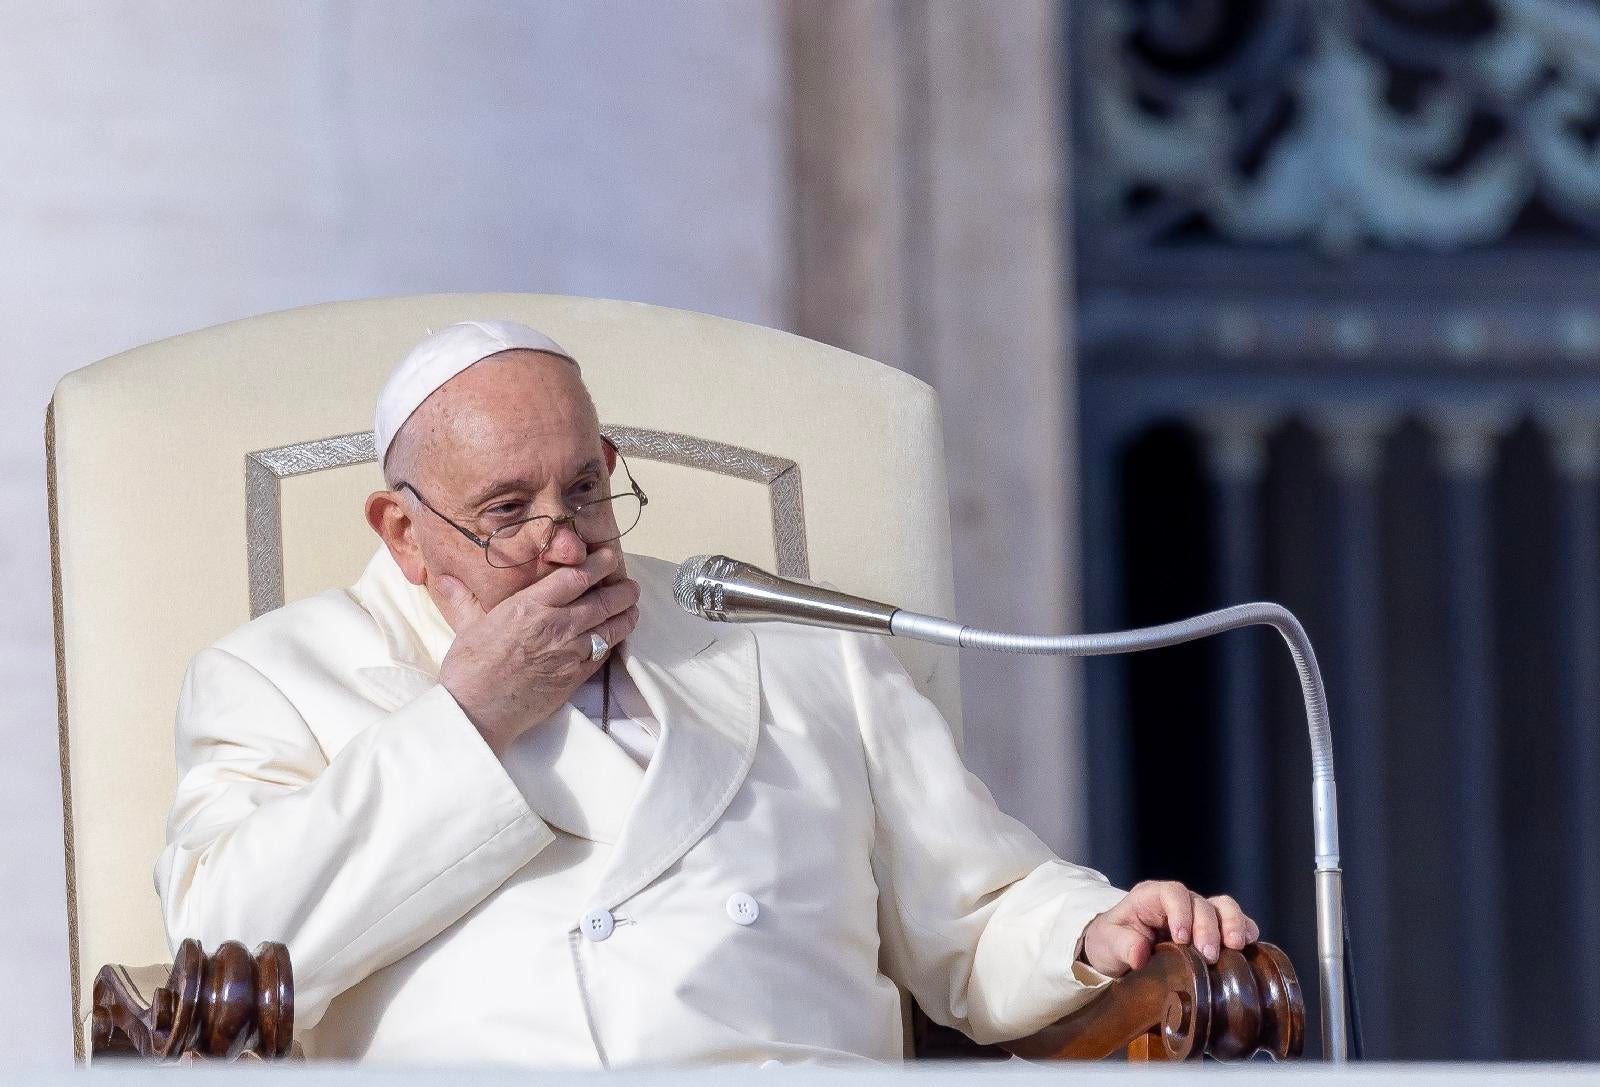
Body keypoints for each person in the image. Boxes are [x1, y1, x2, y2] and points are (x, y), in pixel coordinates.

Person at [156, 320, 1258, 1067]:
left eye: (584, 489)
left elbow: (970, 911)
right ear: (402, 531)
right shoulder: (277, 675)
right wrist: (470, 720)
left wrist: (1090, 927)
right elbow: (227, 952)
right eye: (505, 511)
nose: (563, 544)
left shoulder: (788, 639)